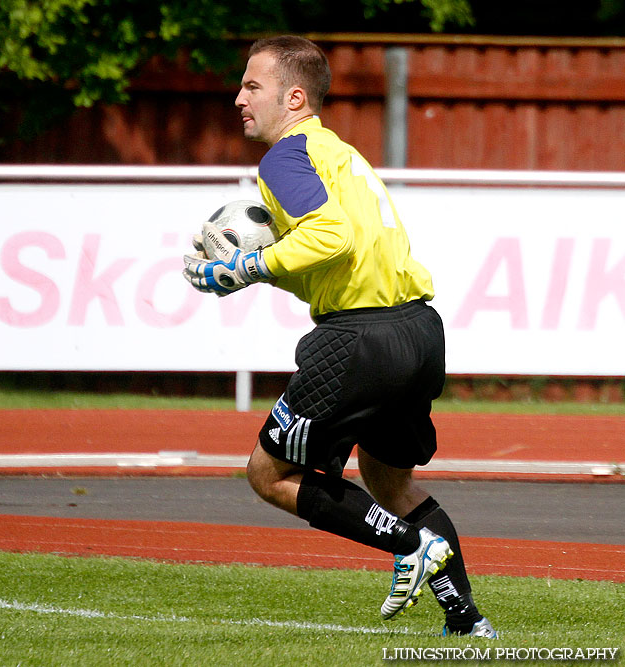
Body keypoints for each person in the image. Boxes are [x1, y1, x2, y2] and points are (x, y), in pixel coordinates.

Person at [183, 35, 497, 638]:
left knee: (268, 474)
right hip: (417, 331)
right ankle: (467, 620)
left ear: (293, 97)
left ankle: (412, 547)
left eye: (252, 86)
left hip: (358, 341)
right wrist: (251, 276)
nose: (239, 97)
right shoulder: (339, 152)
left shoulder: (283, 157)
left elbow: (330, 237)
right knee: (390, 481)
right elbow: (339, 265)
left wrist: (243, 265)